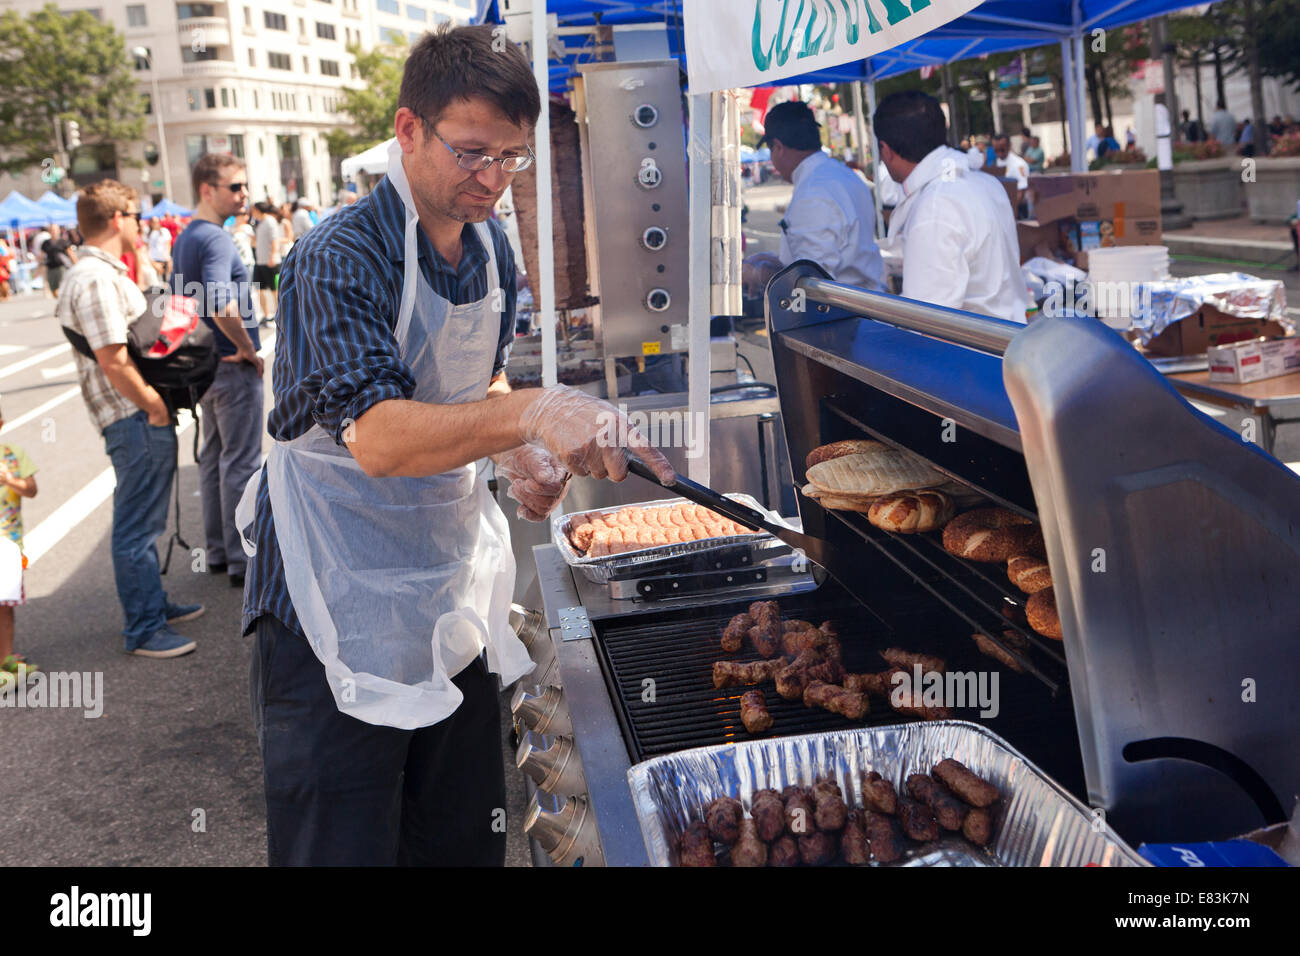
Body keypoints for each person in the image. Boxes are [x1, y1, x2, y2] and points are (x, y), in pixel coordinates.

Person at [238, 23, 674, 867]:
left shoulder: (488, 248)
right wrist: (532, 416)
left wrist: (522, 457)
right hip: (332, 598)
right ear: (409, 130)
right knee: (343, 850)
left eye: (511, 159)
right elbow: (380, 437)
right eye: (473, 153)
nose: (493, 180)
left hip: (446, 595)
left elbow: (479, 385)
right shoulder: (336, 257)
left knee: (463, 845)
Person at [55, 180, 204, 657]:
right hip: (132, 417)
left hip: (133, 416)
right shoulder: (94, 278)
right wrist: (154, 406)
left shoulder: (96, 272)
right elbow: (113, 359)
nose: (142, 225)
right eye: (136, 217)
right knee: (137, 527)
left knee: (144, 521)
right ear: (117, 219)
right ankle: (144, 628)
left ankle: (152, 607)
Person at [170, 154, 263, 590]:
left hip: (203, 364)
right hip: (228, 362)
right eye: (235, 187)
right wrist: (247, 349)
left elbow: (184, 300)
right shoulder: (215, 238)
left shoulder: (186, 237)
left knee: (214, 458)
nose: (244, 194)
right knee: (239, 461)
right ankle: (244, 558)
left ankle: (220, 551)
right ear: (207, 190)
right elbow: (218, 301)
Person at [872, 90, 1029, 324]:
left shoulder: (935, 206)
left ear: (886, 150)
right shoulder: (984, 181)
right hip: (1006, 346)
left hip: (972, 355)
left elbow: (927, 324)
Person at [742, 100, 885, 293]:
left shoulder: (813, 193)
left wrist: (760, 274)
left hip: (843, 315)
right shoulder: (845, 175)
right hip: (863, 303)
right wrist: (777, 260)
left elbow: (812, 281)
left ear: (778, 147)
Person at [0, 398, 39, 684]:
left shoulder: (12, 455)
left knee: (4, 606)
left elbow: (31, 490)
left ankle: (6, 658)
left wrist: (10, 479)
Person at [253, 201, 282, 320]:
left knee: (275, 291)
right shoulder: (259, 223)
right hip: (260, 262)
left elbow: (275, 240)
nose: (252, 212)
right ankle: (266, 315)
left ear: (259, 210)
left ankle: (279, 315)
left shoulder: (270, 221)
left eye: (253, 210)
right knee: (259, 289)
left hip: (271, 262)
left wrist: (272, 256)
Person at [41, 224, 77, 298]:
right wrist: (40, 266)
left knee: (63, 286)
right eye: (51, 230)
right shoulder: (46, 243)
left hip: (61, 267)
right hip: (51, 268)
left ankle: (63, 301)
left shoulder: (63, 242)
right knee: (53, 288)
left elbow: (70, 253)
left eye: (54, 230)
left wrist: (76, 264)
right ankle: (59, 300)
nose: (53, 232)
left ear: (58, 231)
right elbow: (42, 256)